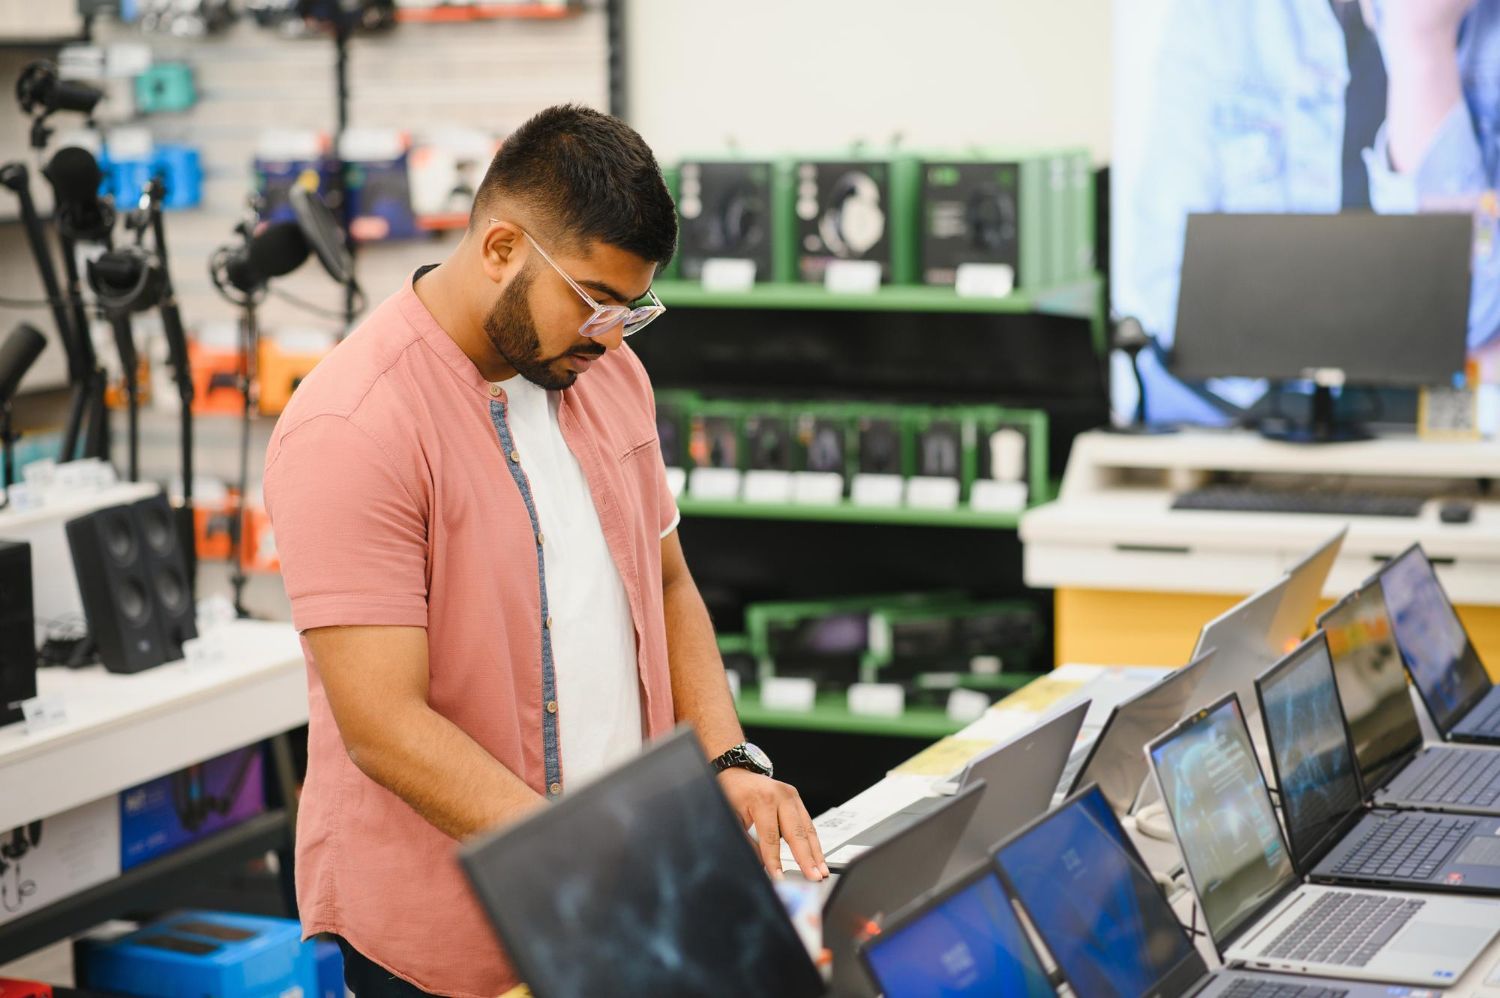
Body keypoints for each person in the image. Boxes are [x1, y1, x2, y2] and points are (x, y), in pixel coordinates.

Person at [263, 105, 828, 998]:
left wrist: (727, 762)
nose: (611, 332)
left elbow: (669, 585)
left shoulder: (606, 374)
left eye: (632, 311)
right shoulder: (352, 426)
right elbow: (383, 728)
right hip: (452, 942)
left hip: (627, 896)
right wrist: (577, 861)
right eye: (596, 302)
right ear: (500, 249)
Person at [1119, 0, 1500, 425]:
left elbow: (1470, 323)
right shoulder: (1217, 18)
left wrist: (1423, 46)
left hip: (1427, 441)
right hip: (1236, 427)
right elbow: (1170, 291)